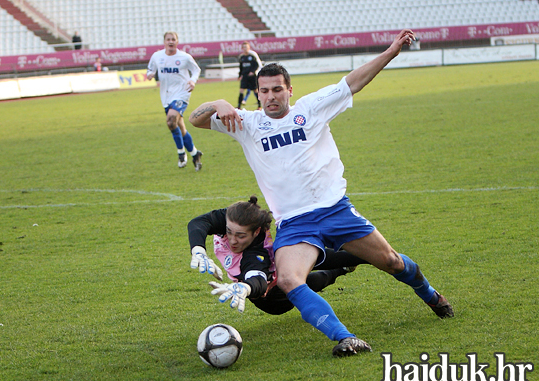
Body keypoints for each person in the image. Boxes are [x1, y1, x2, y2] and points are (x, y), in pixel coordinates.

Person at [189, 29, 454, 358]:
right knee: (288, 279)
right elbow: (195, 120)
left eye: (277, 90)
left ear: (289, 90)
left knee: (391, 262)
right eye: (264, 91)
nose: (270, 97)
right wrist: (218, 102)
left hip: (335, 210)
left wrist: (390, 52)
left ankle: (431, 296)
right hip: (295, 223)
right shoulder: (247, 123)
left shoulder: (311, 108)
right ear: (258, 93)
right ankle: (346, 338)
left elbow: (352, 82)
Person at [188, 196, 366, 315]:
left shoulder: (256, 253)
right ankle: (342, 269)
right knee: (310, 283)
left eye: (241, 236)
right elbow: (198, 223)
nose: (232, 240)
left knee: (320, 258)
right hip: (274, 302)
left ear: (256, 232)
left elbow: (256, 278)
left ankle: (371, 256)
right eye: (229, 232)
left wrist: (244, 288)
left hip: (272, 285)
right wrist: (198, 250)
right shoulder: (232, 219)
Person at [147, 31, 203, 171]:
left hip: (182, 93)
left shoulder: (184, 57)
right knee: (179, 127)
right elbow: (150, 69)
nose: (171, 41)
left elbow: (196, 70)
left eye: (173, 39)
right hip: (166, 96)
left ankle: (181, 153)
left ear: (177, 42)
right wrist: (150, 74)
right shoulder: (157, 56)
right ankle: (195, 154)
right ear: (164, 42)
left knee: (171, 120)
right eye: (168, 39)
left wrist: (192, 80)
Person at [237, 41, 262, 109]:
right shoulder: (241, 57)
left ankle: (259, 106)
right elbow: (241, 67)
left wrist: (252, 72)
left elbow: (256, 65)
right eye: (244, 47)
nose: (245, 48)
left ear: (249, 48)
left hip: (252, 77)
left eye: (246, 47)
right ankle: (239, 106)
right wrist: (240, 75)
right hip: (244, 77)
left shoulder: (252, 56)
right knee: (241, 90)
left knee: (255, 90)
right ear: (242, 48)